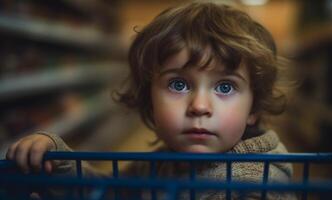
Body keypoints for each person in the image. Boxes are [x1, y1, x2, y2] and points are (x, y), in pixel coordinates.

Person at [6, 1, 296, 199]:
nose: (199, 106)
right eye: (179, 84)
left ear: (253, 110)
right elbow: (112, 192)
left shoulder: (257, 183)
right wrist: (60, 160)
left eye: (225, 87)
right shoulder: (163, 162)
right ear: (149, 98)